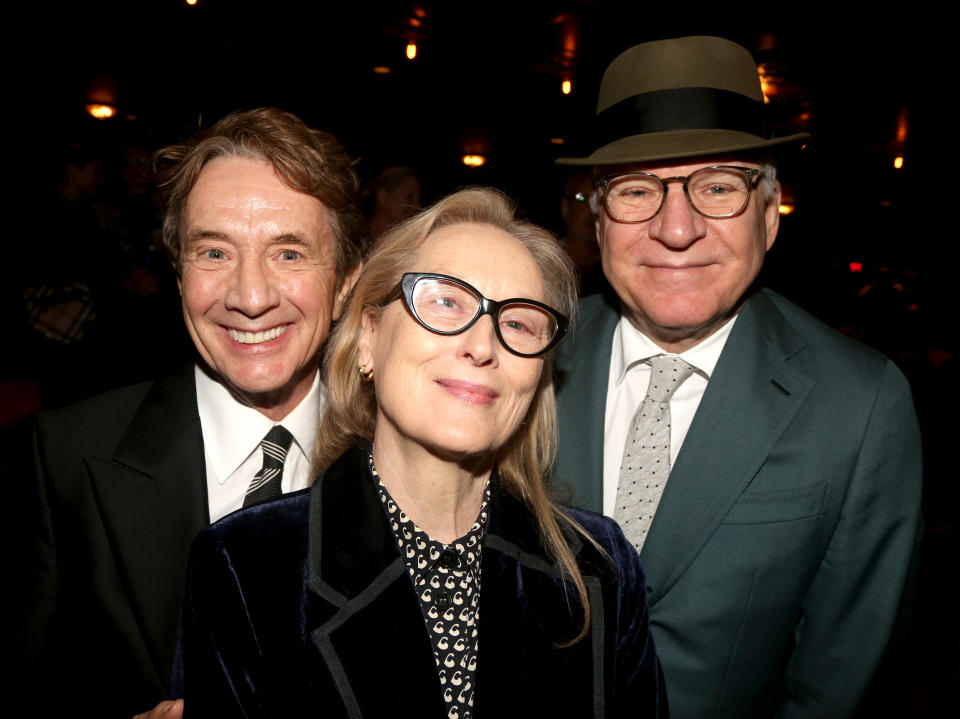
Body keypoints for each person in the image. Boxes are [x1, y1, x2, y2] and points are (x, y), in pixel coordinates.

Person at [178, 187, 666, 718]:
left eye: (519, 322)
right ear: (369, 335)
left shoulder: (598, 568)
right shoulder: (247, 565)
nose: (483, 345)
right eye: (445, 301)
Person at [553, 36, 923, 718]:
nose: (677, 227)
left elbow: (839, 687)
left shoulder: (858, 405)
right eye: (638, 190)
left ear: (770, 208)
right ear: (596, 215)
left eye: (718, 186)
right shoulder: (525, 360)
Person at [8, 107, 367, 719]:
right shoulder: (68, 458)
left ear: (343, 284)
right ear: (178, 276)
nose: (250, 298)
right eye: (214, 253)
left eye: (288, 253)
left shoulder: (406, 461)